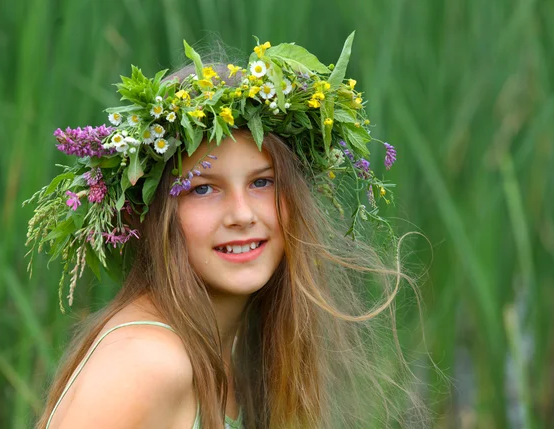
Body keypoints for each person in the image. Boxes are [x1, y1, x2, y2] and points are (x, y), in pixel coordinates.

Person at [26, 34, 427, 429]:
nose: (241, 214)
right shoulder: (146, 363)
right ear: (153, 214)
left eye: (262, 182)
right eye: (203, 189)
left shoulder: (225, 350)